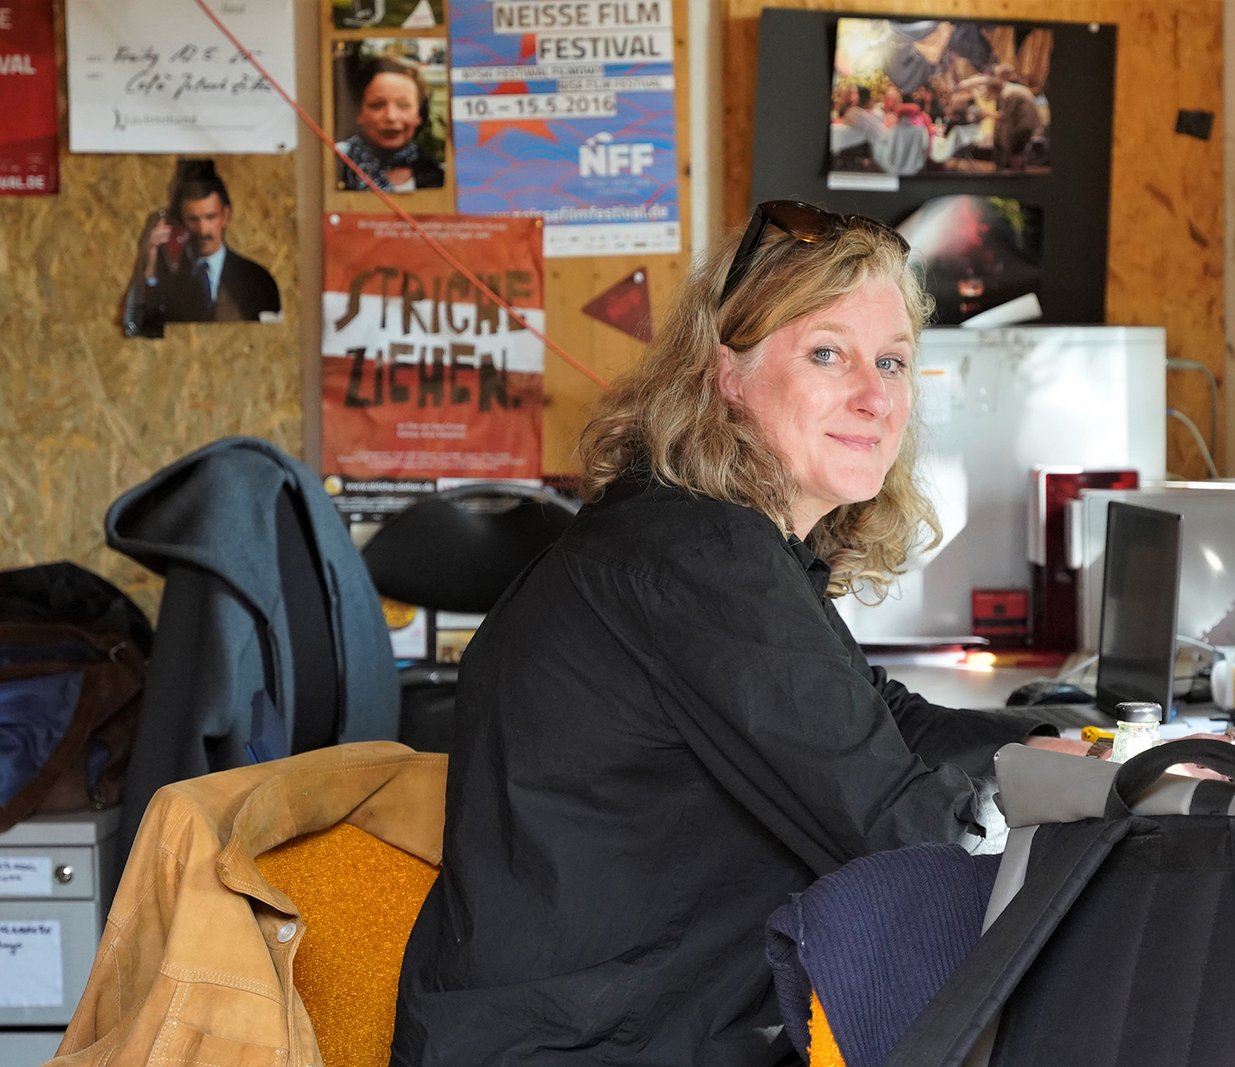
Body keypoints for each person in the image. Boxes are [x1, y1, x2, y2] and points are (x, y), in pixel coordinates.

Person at [390, 200, 1057, 1066]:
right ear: (726, 375)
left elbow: (880, 720)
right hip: (581, 1048)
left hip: (615, 1028)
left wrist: (1059, 744)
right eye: (828, 353)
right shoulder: (700, 554)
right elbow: (902, 831)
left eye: (892, 361)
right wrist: (1086, 800)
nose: (874, 395)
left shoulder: (705, 535)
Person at [125, 162, 281, 332]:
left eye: (210, 217)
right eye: (193, 219)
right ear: (180, 221)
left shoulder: (258, 281)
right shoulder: (168, 284)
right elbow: (145, 335)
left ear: (225, 216)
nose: (202, 230)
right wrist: (150, 261)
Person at [336, 55, 443, 193]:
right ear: (358, 112)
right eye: (377, 105)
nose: (391, 117)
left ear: (419, 115)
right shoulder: (335, 162)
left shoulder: (437, 176)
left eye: (403, 105)